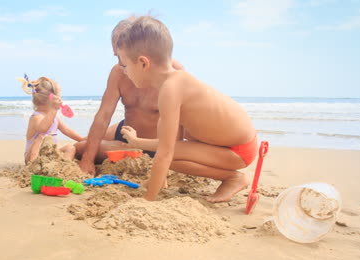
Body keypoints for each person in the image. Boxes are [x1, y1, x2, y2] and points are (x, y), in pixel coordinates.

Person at [115, 16, 258, 203]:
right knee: (169, 157)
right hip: (222, 145)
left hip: (237, 151)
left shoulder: (171, 90)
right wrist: (137, 143)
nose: (124, 72)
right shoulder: (175, 83)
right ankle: (231, 176)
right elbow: (171, 142)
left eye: (125, 66)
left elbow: (166, 152)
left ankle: (233, 177)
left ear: (143, 63)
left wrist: (148, 200)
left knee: (167, 157)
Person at [76, 17, 183, 175]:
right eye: (116, 56)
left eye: (121, 57)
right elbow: (103, 115)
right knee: (83, 146)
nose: (119, 63)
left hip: (149, 145)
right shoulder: (118, 72)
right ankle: (68, 154)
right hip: (125, 131)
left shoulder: (172, 73)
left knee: (81, 147)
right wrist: (87, 159)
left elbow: (181, 125)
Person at [20, 76, 85, 164]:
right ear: (51, 99)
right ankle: (34, 167)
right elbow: (43, 129)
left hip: (50, 155)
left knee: (70, 148)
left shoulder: (54, 118)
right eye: (58, 97)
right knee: (41, 137)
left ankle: (63, 166)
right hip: (32, 156)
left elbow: (67, 130)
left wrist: (82, 139)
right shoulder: (36, 117)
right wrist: (54, 109)